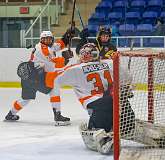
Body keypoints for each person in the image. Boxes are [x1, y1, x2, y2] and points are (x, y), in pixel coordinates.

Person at [52, 43, 165, 154]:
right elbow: (127, 79)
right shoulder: (110, 62)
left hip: (100, 108)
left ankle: (105, 138)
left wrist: (64, 63)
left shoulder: (75, 69)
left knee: (90, 132)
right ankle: (156, 136)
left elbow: (54, 81)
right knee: (129, 128)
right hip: (121, 104)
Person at [5, 30, 74, 126]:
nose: (47, 40)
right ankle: (57, 116)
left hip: (29, 76)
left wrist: (67, 36)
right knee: (54, 90)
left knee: (26, 98)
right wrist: (65, 59)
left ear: (51, 39)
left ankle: (10, 114)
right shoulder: (42, 49)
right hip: (37, 77)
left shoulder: (48, 46)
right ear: (41, 40)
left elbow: (59, 45)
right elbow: (54, 63)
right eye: (45, 39)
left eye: (49, 38)